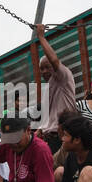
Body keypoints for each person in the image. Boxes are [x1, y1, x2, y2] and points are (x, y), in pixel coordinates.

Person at [33, 23, 77, 153]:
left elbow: (54, 59)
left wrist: (41, 37)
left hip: (64, 135)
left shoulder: (63, 76)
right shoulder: (49, 87)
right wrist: (40, 130)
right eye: (42, 68)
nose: (45, 71)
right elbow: (50, 116)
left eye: (48, 67)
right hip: (51, 138)